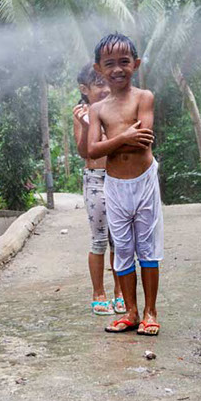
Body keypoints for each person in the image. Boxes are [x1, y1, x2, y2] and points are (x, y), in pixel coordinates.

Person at [86, 33, 162, 336]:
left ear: (136, 64)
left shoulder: (144, 97)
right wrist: (125, 137)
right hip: (115, 185)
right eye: (109, 64)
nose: (117, 69)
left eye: (124, 61)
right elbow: (92, 151)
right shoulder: (97, 109)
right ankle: (130, 312)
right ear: (99, 68)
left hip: (144, 181)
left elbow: (144, 139)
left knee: (148, 248)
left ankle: (150, 312)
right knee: (122, 248)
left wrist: (111, 142)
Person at [72, 64, 125, 316]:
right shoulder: (81, 113)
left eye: (107, 83)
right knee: (99, 239)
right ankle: (98, 293)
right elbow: (85, 152)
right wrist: (85, 126)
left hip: (119, 177)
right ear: (85, 89)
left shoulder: (119, 108)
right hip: (95, 180)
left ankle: (120, 292)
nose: (105, 89)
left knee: (120, 240)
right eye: (99, 84)